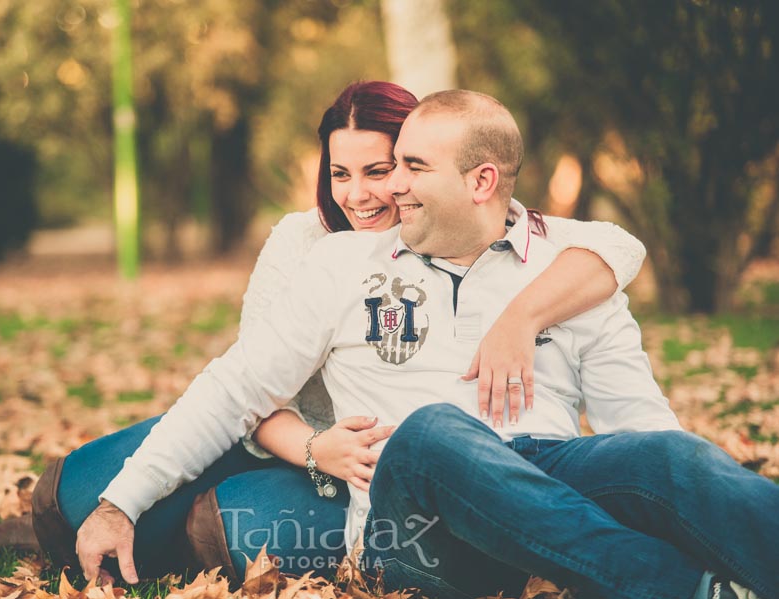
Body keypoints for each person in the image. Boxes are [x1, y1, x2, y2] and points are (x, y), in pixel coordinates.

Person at [73, 88, 779, 599]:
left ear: (482, 181)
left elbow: (638, 421)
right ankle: (687, 592)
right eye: (387, 167)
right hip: (407, 526)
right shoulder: (342, 263)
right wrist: (118, 504)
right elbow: (233, 389)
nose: (389, 189)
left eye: (409, 168)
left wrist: (669, 489)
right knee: (436, 432)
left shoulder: (568, 269)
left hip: (542, 477)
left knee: (672, 454)